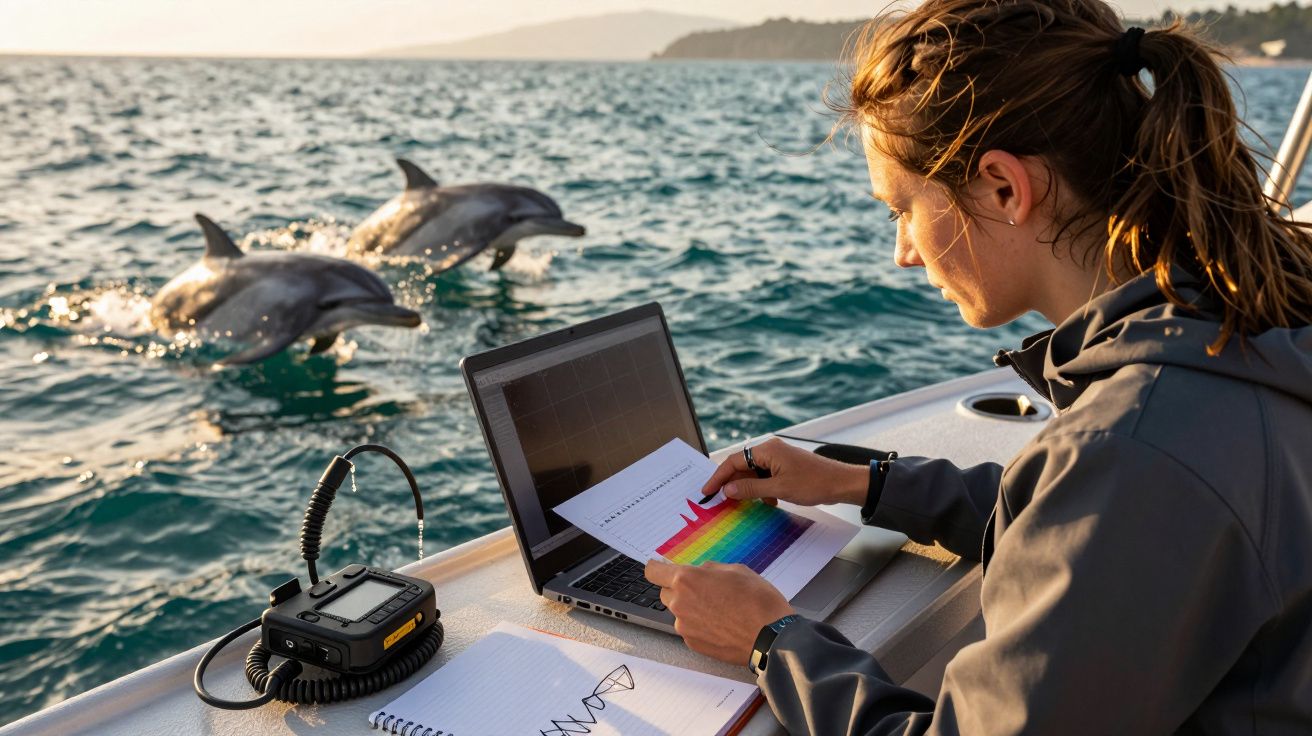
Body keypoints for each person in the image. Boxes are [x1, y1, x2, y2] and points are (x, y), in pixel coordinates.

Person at [642, 0, 1312, 732]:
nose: (902, 251)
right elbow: (1096, 528)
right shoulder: (1243, 321)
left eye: (902, 208)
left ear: (1004, 187)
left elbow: (1120, 501)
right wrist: (861, 483)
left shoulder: (1133, 446)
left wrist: (771, 640)